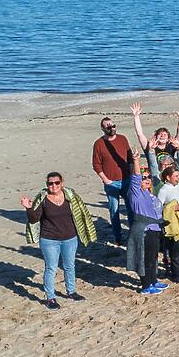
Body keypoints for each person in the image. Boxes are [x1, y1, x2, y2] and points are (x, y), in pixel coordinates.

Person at [22, 172, 97, 309]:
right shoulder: (43, 199)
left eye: (57, 183)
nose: (54, 186)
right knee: (51, 268)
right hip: (49, 240)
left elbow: (81, 214)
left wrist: (85, 231)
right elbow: (34, 219)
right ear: (47, 185)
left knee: (69, 266)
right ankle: (50, 298)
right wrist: (28, 208)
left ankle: (71, 292)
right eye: (50, 183)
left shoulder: (70, 196)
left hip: (70, 238)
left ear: (62, 183)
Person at [124, 152, 167, 294]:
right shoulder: (135, 193)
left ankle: (154, 281)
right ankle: (145, 285)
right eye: (144, 178)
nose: (147, 180)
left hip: (154, 229)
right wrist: (136, 160)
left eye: (148, 177)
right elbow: (135, 178)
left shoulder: (150, 194)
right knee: (144, 258)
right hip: (144, 229)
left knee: (153, 257)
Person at [92, 115, 133, 245]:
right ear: (103, 128)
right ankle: (118, 237)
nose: (111, 128)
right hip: (111, 183)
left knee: (131, 208)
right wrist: (106, 180)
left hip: (127, 180)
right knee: (114, 210)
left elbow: (130, 158)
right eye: (108, 126)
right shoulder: (99, 143)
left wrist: (133, 176)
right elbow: (96, 164)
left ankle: (133, 235)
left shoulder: (122, 139)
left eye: (113, 125)